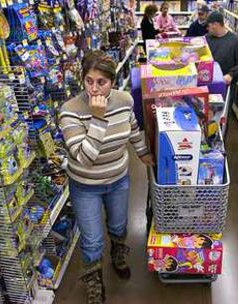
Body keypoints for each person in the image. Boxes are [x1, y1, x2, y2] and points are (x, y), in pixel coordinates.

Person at [60, 50, 154, 304]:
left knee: (119, 224)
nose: (94, 89)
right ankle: (94, 281)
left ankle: (118, 253)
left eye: (101, 82)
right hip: (85, 185)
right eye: (88, 81)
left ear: (112, 81)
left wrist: (144, 153)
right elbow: (84, 157)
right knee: (92, 240)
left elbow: (132, 128)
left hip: (118, 178)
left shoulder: (124, 100)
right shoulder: (69, 111)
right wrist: (98, 119)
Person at [205, 11, 238, 87]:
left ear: (215, 25)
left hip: (226, 84)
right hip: (206, 81)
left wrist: (231, 75)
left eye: (208, 26)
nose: (207, 29)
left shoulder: (236, 41)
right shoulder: (206, 38)